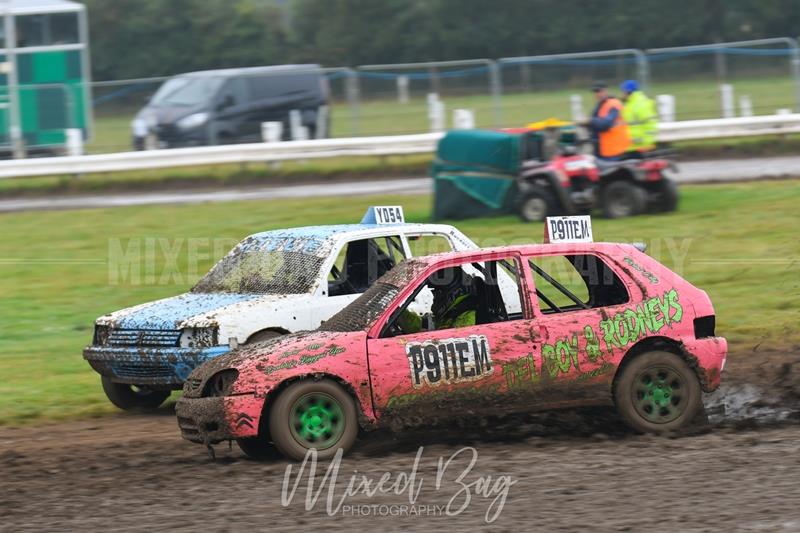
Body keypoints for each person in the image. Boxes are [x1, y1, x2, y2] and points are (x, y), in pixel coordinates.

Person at [584, 82, 631, 160]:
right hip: (603, 150)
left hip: (614, 151)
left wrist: (590, 120)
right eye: (595, 92)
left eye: (599, 91)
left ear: (606, 91)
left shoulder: (614, 104)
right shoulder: (600, 105)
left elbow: (605, 124)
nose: (597, 94)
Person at [620, 80, 658, 155]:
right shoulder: (630, 103)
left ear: (628, 92)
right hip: (632, 145)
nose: (622, 94)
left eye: (623, 91)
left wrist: (645, 143)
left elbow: (650, 125)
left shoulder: (639, 104)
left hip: (639, 146)